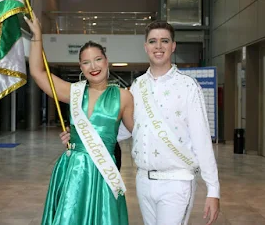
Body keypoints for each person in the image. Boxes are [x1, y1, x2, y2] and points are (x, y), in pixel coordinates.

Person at [61, 21, 220, 225]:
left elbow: (202, 140)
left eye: (165, 41)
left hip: (177, 181)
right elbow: (127, 129)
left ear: (173, 46)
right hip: (143, 181)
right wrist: (79, 135)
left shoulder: (188, 87)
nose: (158, 46)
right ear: (146, 47)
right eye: (153, 41)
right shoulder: (137, 86)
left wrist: (213, 189)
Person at [25, 13, 134, 225]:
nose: (93, 66)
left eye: (97, 59)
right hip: (73, 170)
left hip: (104, 173)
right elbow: (38, 73)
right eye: (86, 62)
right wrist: (37, 35)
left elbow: (140, 134)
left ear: (106, 60)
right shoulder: (74, 92)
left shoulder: (123, 96)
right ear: (81, 68)